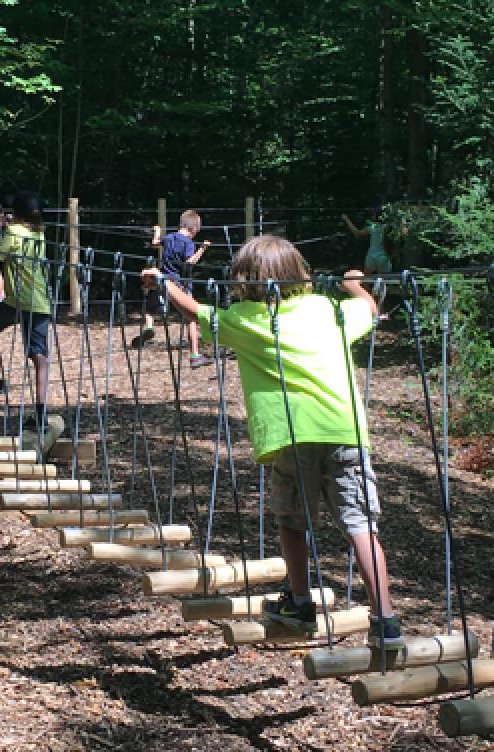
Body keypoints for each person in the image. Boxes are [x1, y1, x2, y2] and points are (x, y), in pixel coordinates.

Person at [142, 235, 405, 649]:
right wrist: (354, 283)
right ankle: (386, 620)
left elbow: (196, 311)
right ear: (299, 271)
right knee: (360, 524)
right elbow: (371, 309)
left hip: (291, 438)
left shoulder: (248, 319)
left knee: (292, 520)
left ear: (244, 279)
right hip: (345, 430)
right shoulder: (328, 308)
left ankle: (299, 601)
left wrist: (163, 282)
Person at [0, 191, 52, 428]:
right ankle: (41, 414)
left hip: (17, 302)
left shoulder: (13, 233)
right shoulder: (39, 234)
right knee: (40, 358)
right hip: (40, 301)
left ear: (15, 214)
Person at [133, 209, 211, 368]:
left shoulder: (169, 238)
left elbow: (155, 243)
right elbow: (189, 262)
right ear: (194, 229)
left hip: (162, 280)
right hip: (180, 283)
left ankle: (149, 326)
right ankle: (194, 355)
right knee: (191, 319)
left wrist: (157, 231)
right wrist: (202, 248)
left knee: (150, 308)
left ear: (180, 224)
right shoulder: (188, 242)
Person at [342, 207, 395, 275]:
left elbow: (357, 233)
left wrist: (346, 219)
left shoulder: (373, 227)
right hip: (383, 257)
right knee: (382, 281)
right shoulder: (389, 227)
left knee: (366, 280)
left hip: (371, 256)